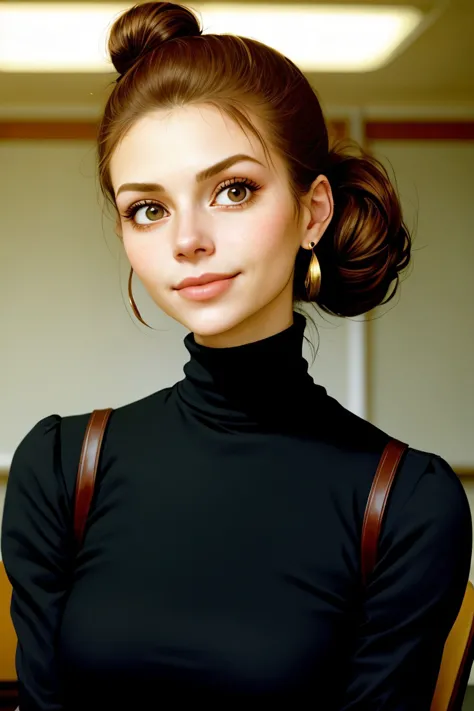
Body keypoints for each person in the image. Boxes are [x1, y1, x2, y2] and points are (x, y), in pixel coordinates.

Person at [2, 1, 472, 709]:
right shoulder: (61, 469)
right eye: (148, 208)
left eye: (233, 190)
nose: (187, 238)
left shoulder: (408, 503)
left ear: (313, 210)